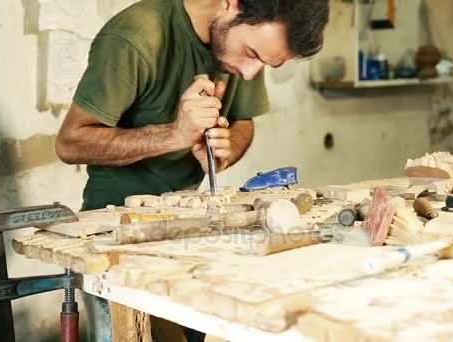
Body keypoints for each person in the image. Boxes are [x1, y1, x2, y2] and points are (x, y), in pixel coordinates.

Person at [55, 0, 329, 340]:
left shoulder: (240, 48)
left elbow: (244, 121)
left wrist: (224, 149)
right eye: (253, 55)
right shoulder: (136, 36)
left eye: (264, 65)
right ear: (232, 4)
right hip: (115, 237)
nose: (249, 73)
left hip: (193, 233)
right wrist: (174, 135)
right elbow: (70, 143)